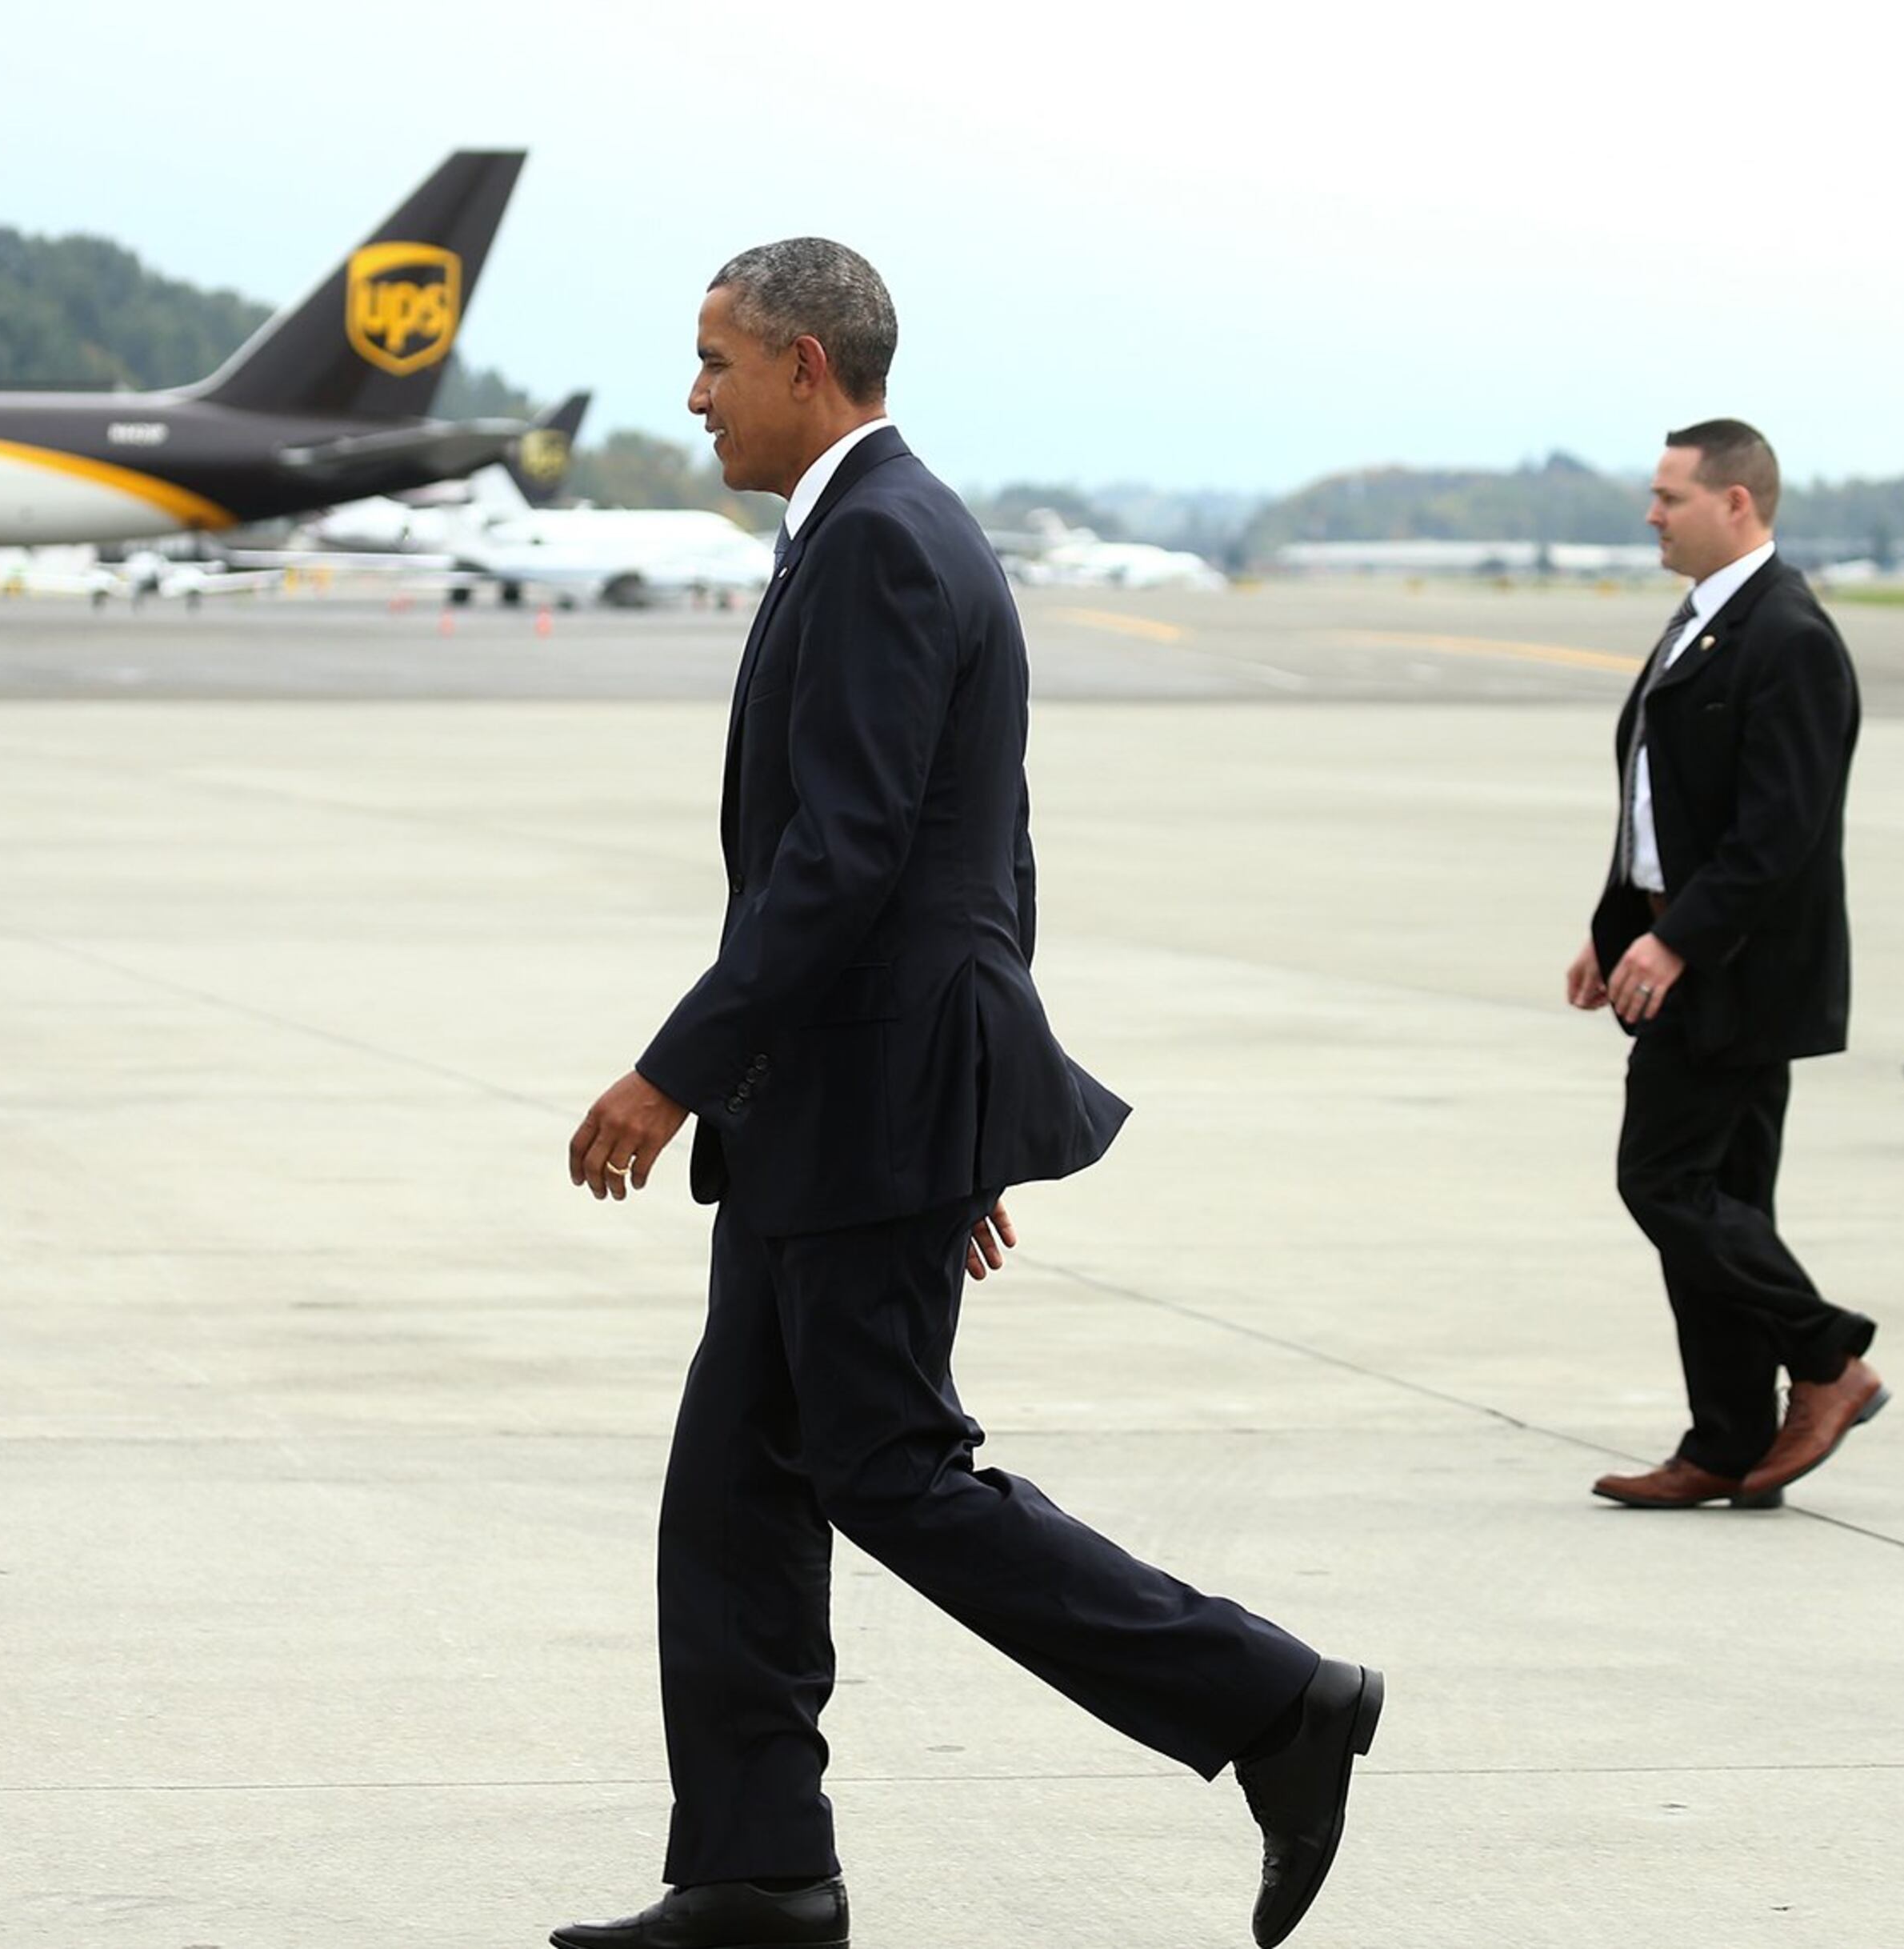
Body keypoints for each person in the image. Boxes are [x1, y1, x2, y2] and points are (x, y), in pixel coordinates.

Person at [557, 240, 1378, 1949]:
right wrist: (968, 1107)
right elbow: (978, 851)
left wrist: (673, 1073)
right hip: (852, 1108)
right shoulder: (871, 532)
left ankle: (1275, 1704)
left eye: (713, 361)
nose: (692, 394)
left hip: (845, 1102)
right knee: (736, 1494)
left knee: (892, 1471)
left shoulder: (881, 546)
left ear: (804, 362)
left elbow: (849, 860)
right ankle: (757, 1874)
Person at [1566, 420, 1886, 1513]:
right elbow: (1671, 804)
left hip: (1739, 969)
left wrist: (1675, 939)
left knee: (1662, 1182)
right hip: (1690, 948)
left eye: (1670, 497)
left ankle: (1831, 1361)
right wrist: (1615, 929)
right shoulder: (1707, 621)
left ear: (1736, 502)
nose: (1651, 515)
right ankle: (1728, 1439)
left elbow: (1777, 832)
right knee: (1726, 1199)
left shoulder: (1788, 635)